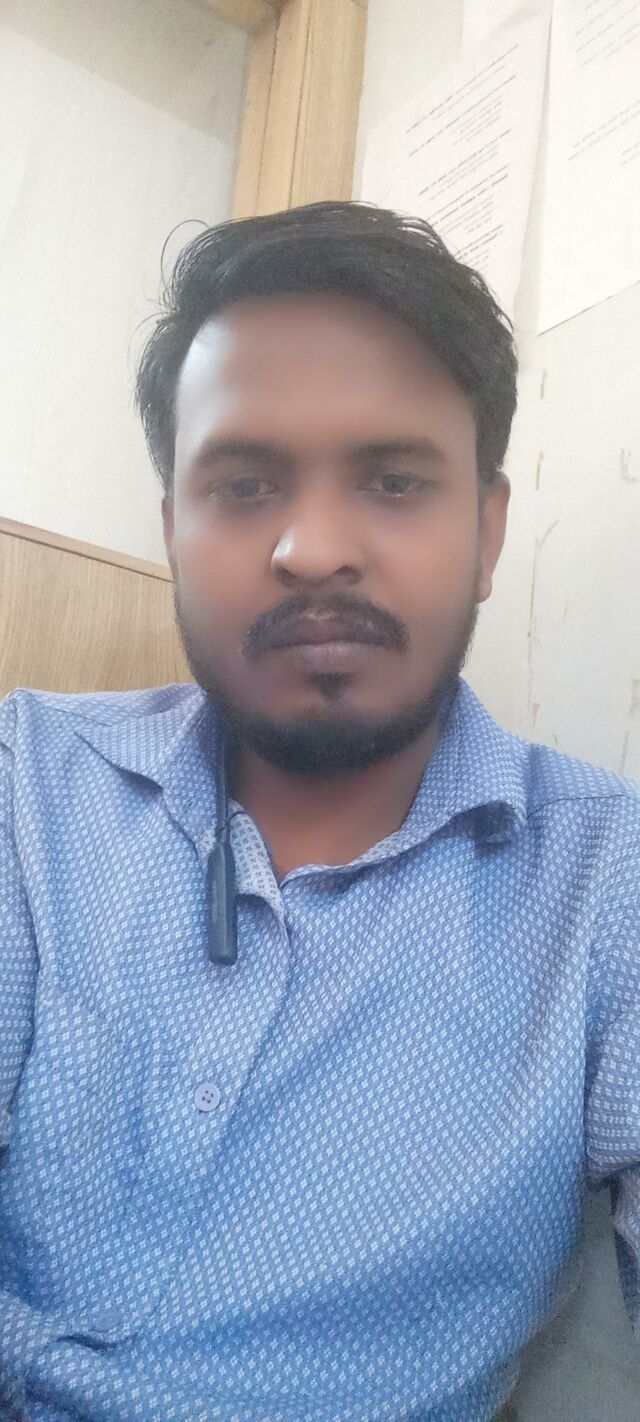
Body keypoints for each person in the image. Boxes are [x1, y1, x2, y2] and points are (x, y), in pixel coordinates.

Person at [0, 201, 638, 1422]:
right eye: (243, 485)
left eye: (393, 482)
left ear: (487, 531)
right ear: (173, 532)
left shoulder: (607, 887)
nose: (310, 548)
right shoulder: (33, 786)